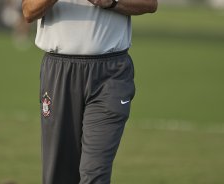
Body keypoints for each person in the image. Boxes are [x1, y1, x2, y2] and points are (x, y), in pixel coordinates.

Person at [22, 0, 157, 183]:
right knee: (59, 174)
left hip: (111, 73)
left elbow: (149, 4)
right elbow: (29, 11)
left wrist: (110, 2)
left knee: (95, 172)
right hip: (59, 70)